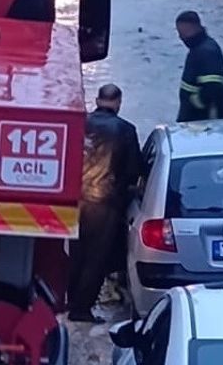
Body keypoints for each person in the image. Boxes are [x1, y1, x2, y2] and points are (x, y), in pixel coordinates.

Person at [69, 84, 142, 323]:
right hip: (105, 202)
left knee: (76, 252)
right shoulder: (126, 130)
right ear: (119, 102)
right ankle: (81, 309)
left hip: (75, 198)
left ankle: (69, 301)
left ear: (97, 100)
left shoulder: (80, 123)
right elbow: (134, 171)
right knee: (95, 258)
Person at [175, 11, 223, 122]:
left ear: (195, 28)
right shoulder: (198, 49)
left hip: (203, 121)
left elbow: (213, 88)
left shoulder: (207, 52)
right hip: (195, 120)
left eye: (184, 32)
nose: (181, 37)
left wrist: (193, 104)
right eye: (179, 33)